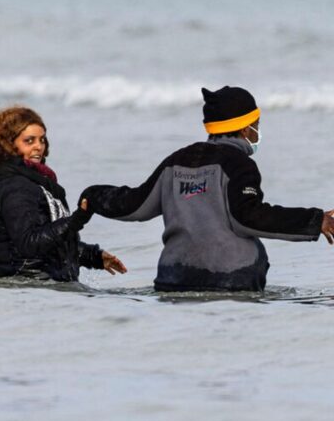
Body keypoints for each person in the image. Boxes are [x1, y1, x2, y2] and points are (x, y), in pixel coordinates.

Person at [81, 86, 334, 292]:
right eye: (257, 124)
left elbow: (133, 205)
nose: (258, 133)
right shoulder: (240, 164)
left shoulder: (175, 162)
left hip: (174, 279)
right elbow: (248, 217)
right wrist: (315, 220)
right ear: (246, 128)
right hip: (232, 282)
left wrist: (92, 195)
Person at [0, 106, 126, 282]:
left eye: (42, 140)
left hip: (34, 290)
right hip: (30, 291)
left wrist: (92, 256)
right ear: (8, 145)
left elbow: (46, 245)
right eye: (29, 141)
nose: (39, 147)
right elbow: (30, 244)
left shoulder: (29, 182)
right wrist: (77, 219)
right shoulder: (14, 188)